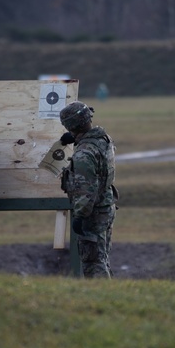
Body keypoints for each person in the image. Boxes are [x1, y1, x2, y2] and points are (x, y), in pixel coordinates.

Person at [59, 101, 118, 278]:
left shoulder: (84, 153)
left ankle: (101, 297)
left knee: (93, 262)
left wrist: (80, 216)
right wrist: (76, 138)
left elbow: (86, 190)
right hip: (106, 205)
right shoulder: (103, 139)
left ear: (71, 126)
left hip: (93, 213)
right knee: (102, 256)